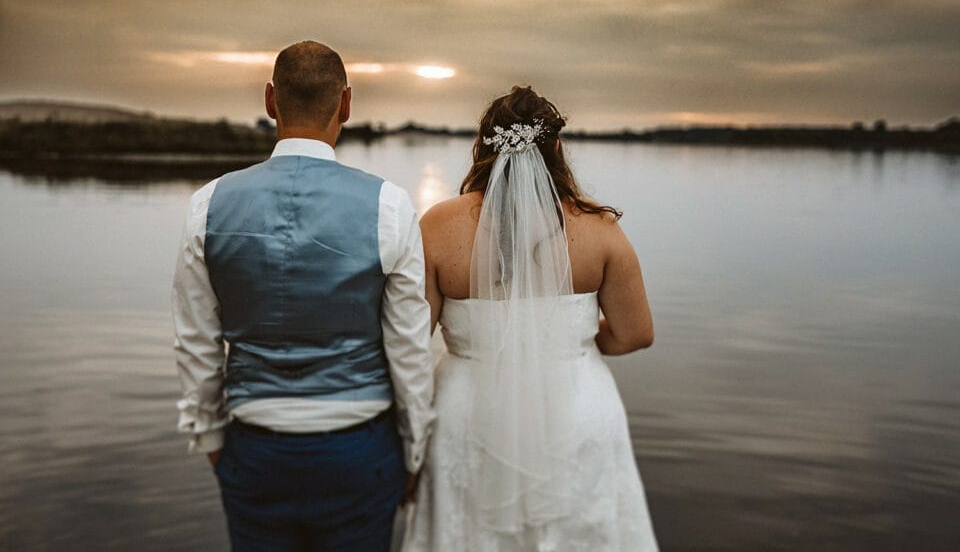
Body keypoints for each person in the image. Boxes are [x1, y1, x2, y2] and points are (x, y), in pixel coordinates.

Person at [171, 40, 434, 551]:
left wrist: (210, 438)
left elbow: (195, 341)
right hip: (360, 450)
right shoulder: (389, 206)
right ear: (347, 104)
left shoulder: (208, 205)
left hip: (254, 449)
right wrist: (414, 448)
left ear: (270, 101)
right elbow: (408, 349)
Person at [402, 86, 658, 551]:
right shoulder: (600, 229)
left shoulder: (437, 226)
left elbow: (411, 341)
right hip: (576, 411)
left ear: (483, 147)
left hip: (469, 414)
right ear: (556, 149)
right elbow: (636, 334)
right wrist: (571, 347)